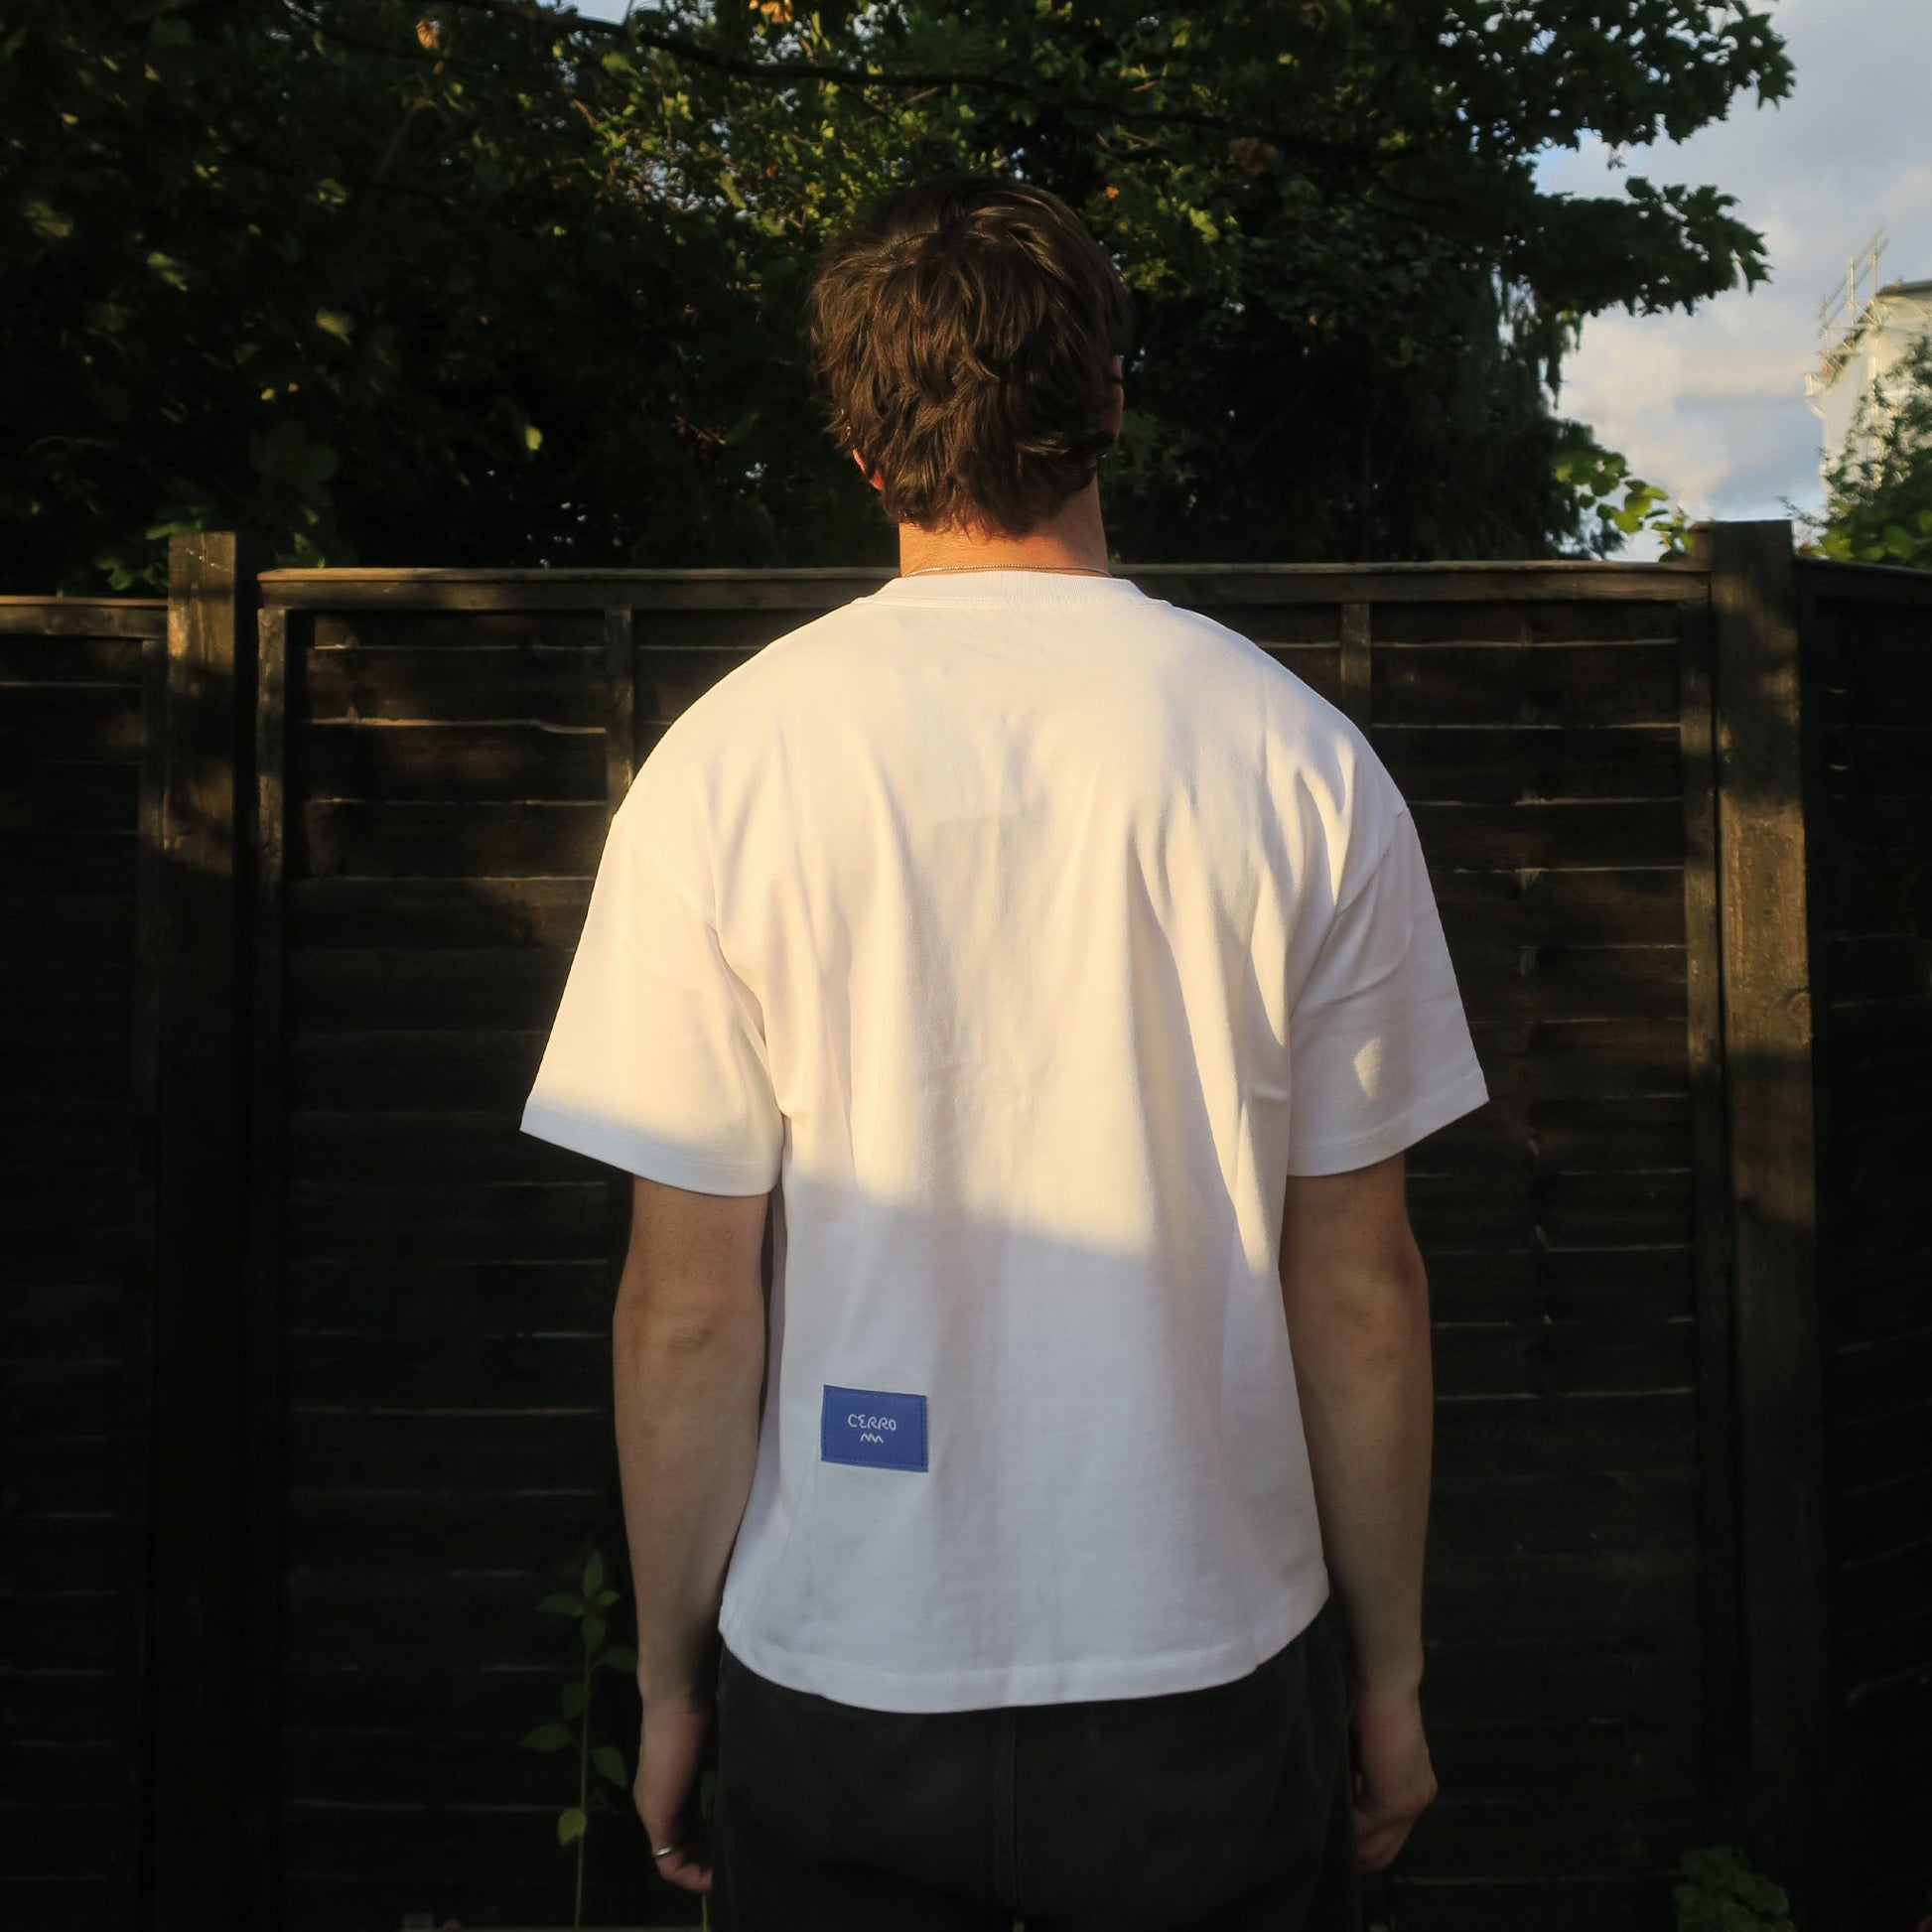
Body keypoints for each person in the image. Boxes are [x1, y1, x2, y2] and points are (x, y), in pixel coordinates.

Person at [519, 172, 1489, 1932]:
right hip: (1209, 1673)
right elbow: (1360, 1285)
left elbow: (684, 1304)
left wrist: (665, 1685)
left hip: (841, 1679)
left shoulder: (724, 772)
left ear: (860, 446)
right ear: (1113, 396)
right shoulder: (1297, 761)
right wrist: (1393, 1670)